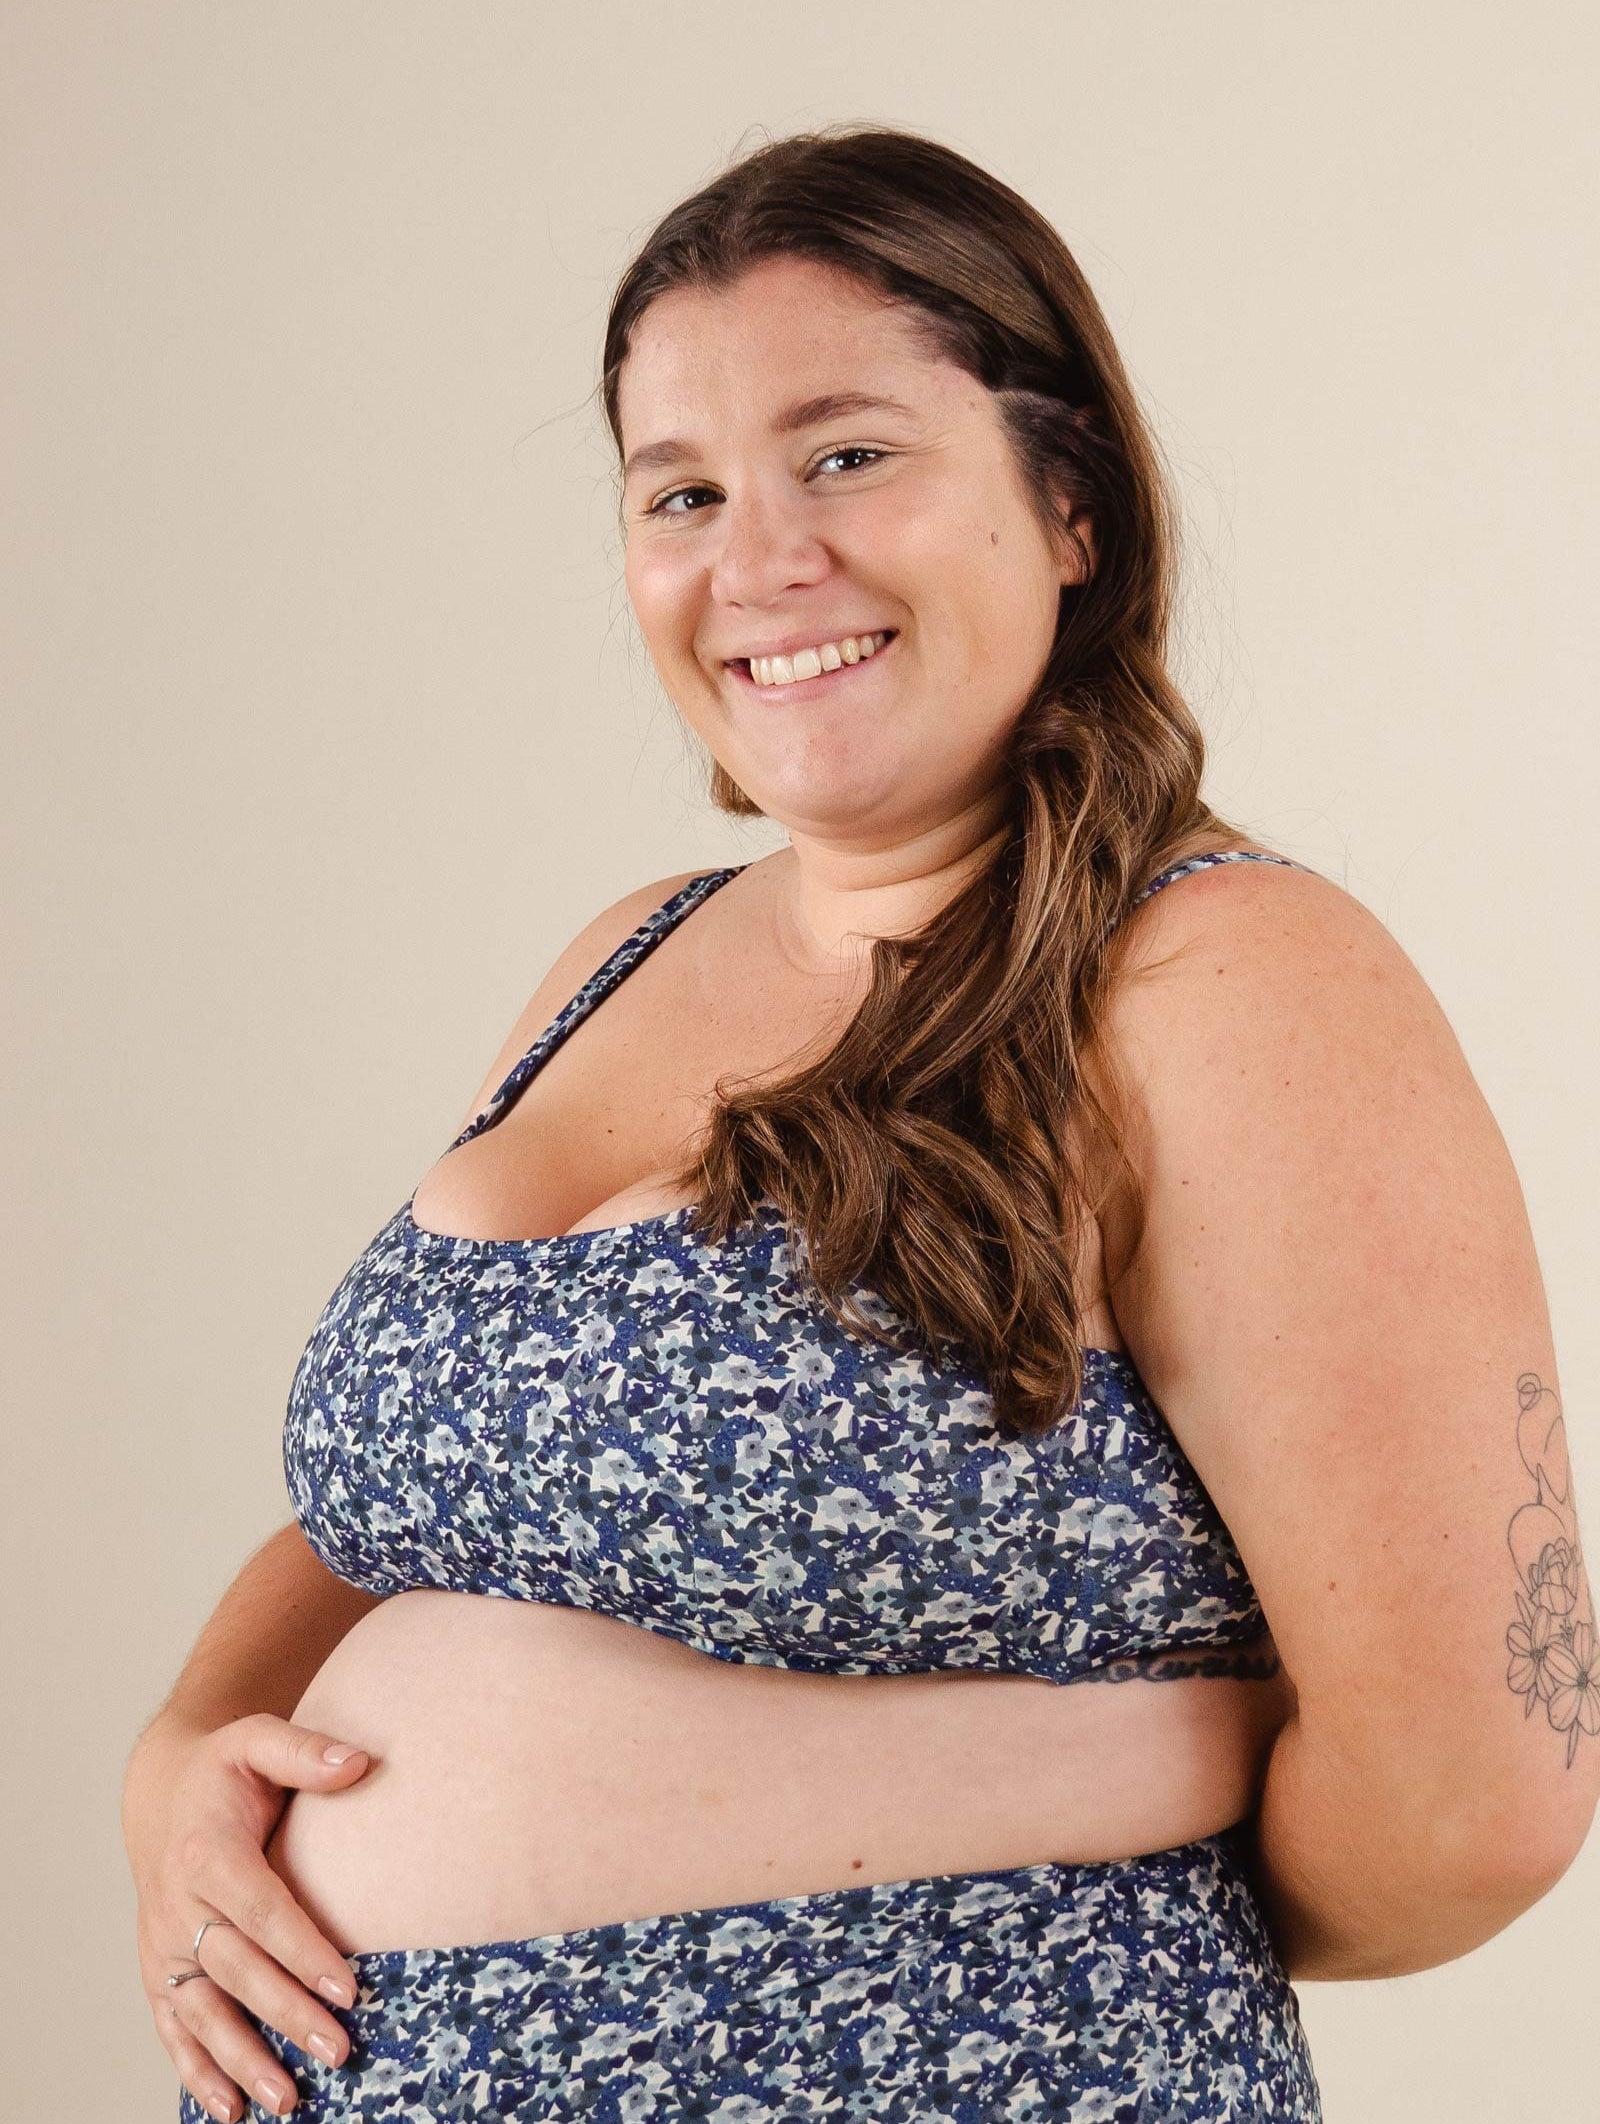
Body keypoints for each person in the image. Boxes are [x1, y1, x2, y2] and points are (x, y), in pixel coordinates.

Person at [122, 123, 1598, 2124]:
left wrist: (979, 1872)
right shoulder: (627, 951)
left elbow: (1474, 1796)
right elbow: (445, 1482)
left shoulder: (1226, 984)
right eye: (683, 490)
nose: (757, 561)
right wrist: (187, 1744)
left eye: (843, 455)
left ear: (1065, 501)